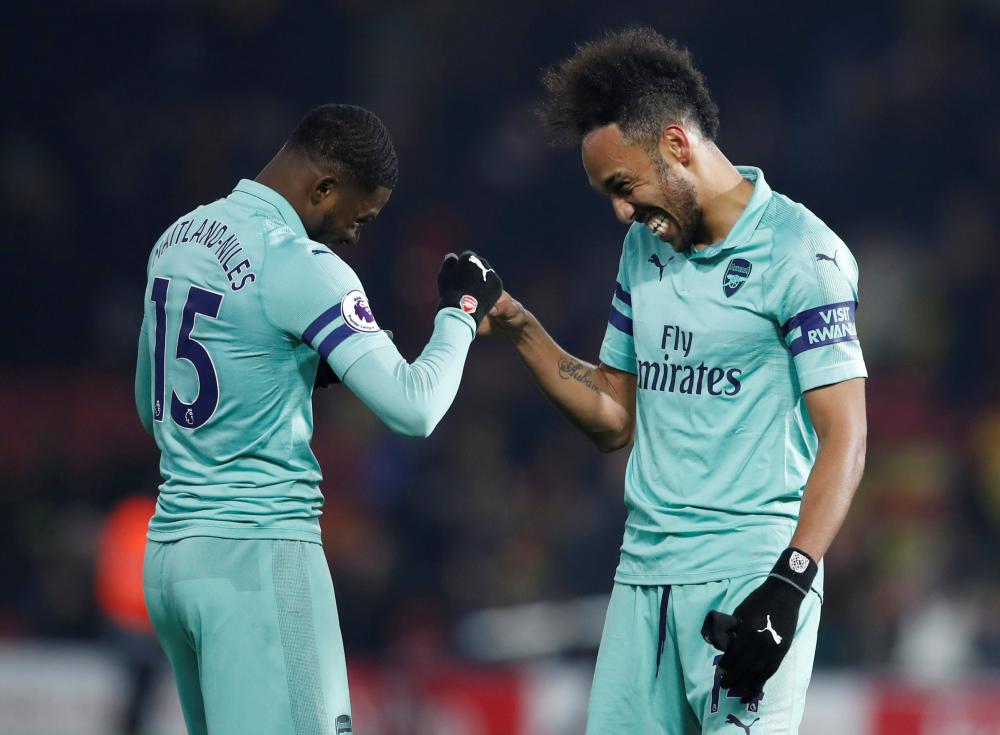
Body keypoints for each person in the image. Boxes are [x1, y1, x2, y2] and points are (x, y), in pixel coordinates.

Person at [480, 28, 867, 733]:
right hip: (641, 582)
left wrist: (790, 581)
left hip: (750, 578)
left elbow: (847, 434)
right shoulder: (642, 251)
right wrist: (521, 328)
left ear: (676, 145)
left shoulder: (802, 254)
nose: (621, 213)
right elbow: (613, 417)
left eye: (623, 188)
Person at [134, 103, 502, 735]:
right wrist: (461, 312)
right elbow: (415, 407)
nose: (356, 236)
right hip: (258, 557)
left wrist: (287, 374)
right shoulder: (300, 263)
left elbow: (153, 408)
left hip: (173, 562)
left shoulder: (177, 239)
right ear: (324, 187)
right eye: (359, 216)